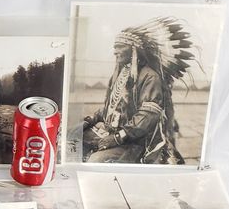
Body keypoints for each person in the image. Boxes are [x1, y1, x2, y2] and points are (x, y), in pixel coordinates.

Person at [82, 17, 193, 164]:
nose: (115, 52)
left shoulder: (150, 77)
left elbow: (147, 116)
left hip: (137, 142)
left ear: (133, 49)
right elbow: (111, 108)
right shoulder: (120, 74)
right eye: (114, 47)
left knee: (96, 160)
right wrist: (91, 119)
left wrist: (118, 137)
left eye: (119, 47)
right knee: (73, 137)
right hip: (116, 132)